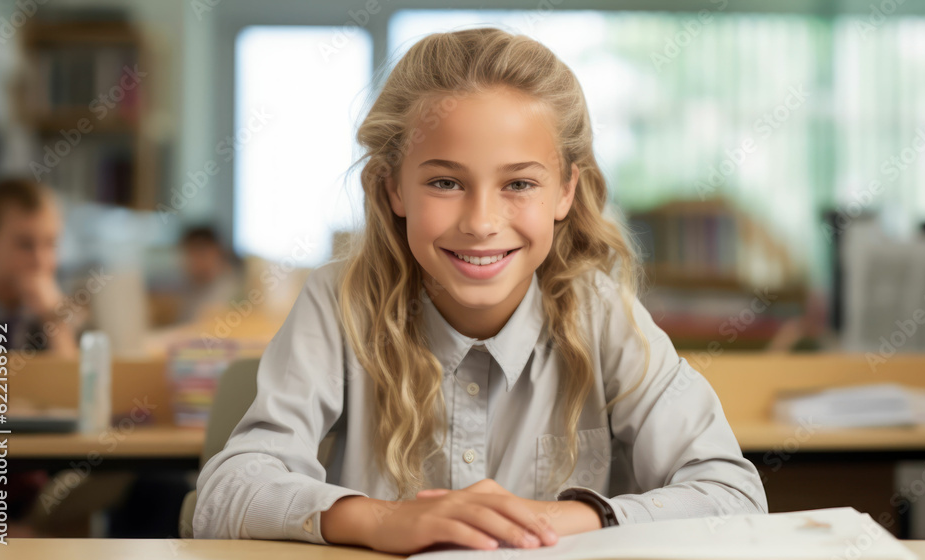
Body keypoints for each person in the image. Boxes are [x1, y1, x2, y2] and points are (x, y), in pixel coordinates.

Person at [194, 28, 767, 554]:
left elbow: (734, 497)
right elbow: (227, 492)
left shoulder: (601, 312)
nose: (481, 222)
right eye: (445, 182)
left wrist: (544, 520)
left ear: (566, 190)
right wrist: (385, 520)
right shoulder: (340, 302)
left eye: (519, 183)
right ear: (394, 187)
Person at [0, 177, 78, 357]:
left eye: (51, 244)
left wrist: (55, 322)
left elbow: (76, 382)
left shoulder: (72, 320)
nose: (40, 261)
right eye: (25, 245)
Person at [175, 225, 244, 324]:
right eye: (190, 254)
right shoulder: (192, 286)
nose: (195, 261)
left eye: (201, 253)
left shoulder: (232, 291)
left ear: (217, 252)